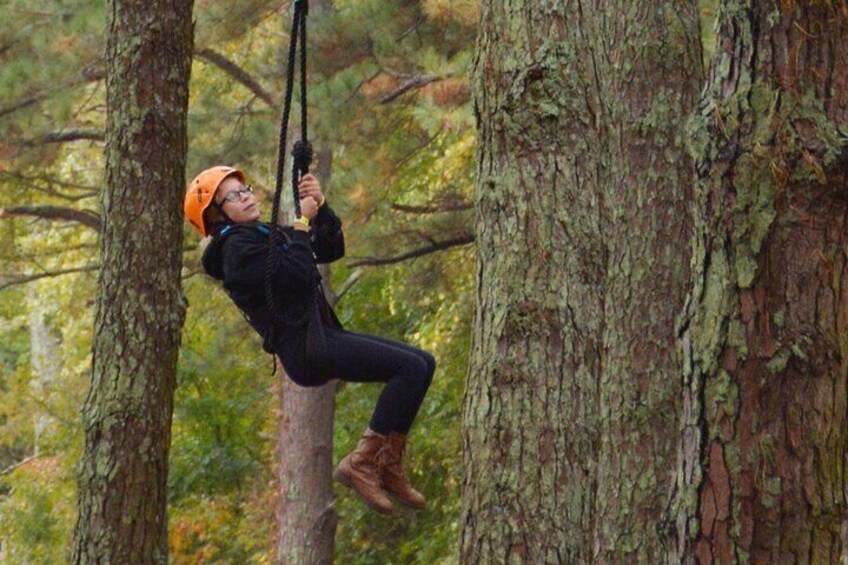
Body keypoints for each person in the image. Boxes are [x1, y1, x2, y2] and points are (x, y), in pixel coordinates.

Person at [184, 166, 435, 515]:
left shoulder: (261, 234)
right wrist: (302, 221)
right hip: (307, 349)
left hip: (322, 337)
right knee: (408, 368)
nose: (247, 196)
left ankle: (386, 464)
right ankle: (362, 462)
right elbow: (299, 275)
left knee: (423, 364)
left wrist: (320, 205)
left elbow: (329, 248)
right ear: (215, 213)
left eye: (246, 189)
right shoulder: (235, 253)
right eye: (234, 195)